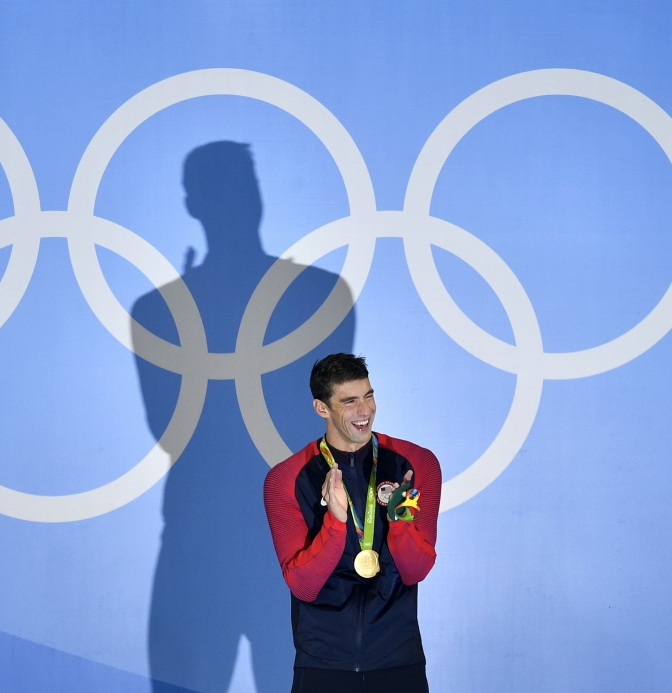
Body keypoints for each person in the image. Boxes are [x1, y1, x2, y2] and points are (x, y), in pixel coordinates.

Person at [133, 142, 357, 692]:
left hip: (288, 539)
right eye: (230, 185)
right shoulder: (160, 311)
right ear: (196, 203)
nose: (241, 198)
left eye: (245, 184)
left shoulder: (322, 297)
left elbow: (319, 421)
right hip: (201, 541)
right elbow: (171, 428)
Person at [263, 353, 441, 693]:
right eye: (349, 401)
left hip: (399, 662)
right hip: (322, 666)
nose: (365, 411)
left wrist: (400, 522)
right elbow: (303, 586)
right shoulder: (285, 479)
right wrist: (334, 522)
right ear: (322, 408)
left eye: (369, 395)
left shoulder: (417, 463)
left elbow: (415, 571)